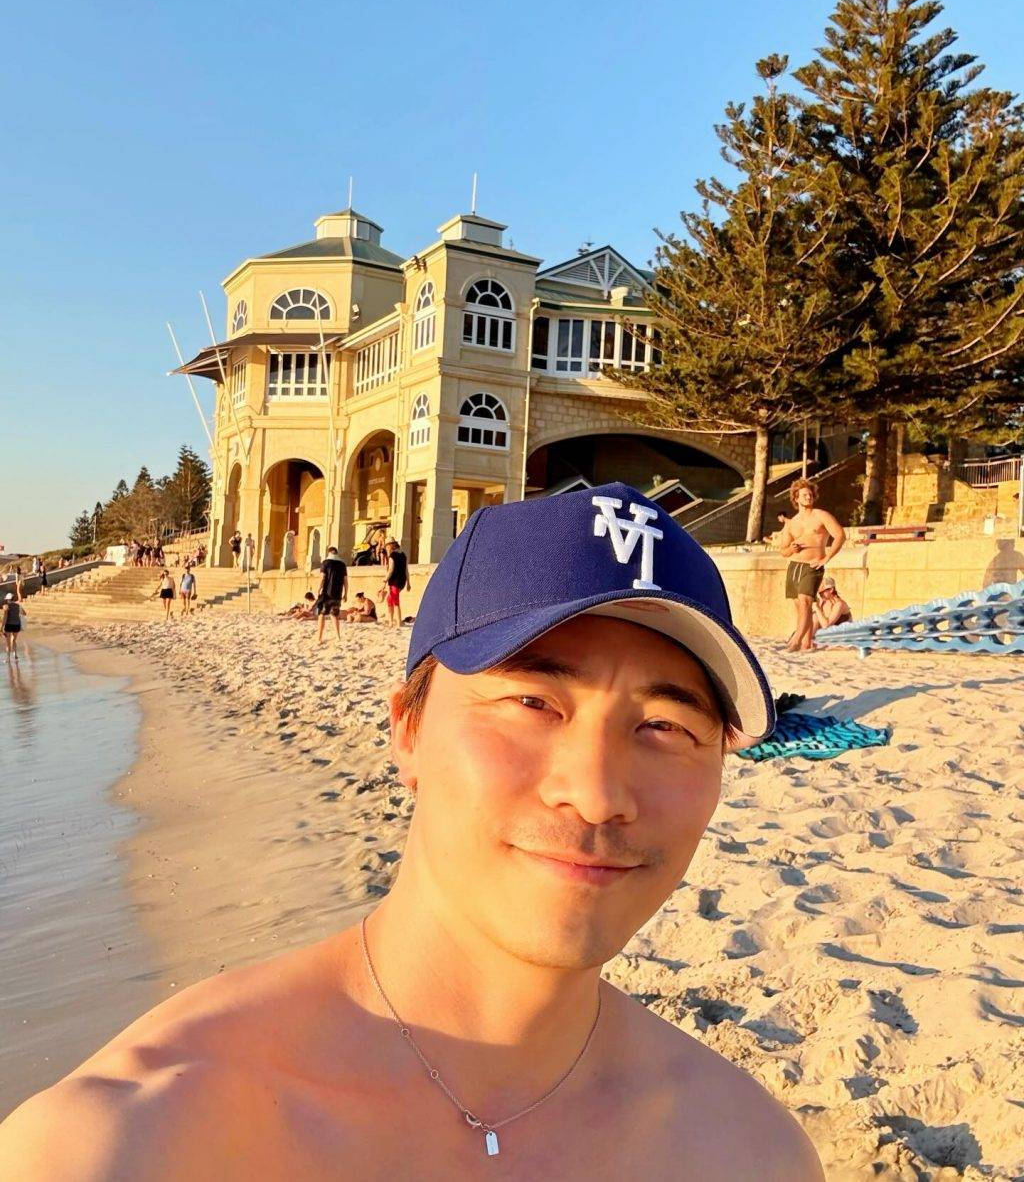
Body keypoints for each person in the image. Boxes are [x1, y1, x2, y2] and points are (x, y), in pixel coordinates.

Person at [0, 483, 825, 1180]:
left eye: (666, 726)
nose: (598, 793)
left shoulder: (749, 1152)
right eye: (533, 703)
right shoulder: (127, 1144)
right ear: (408, 730)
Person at [778, 478, 846, 652]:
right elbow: (783, 551)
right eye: (804, 495)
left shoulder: (821, 515)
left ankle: (795, 641)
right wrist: (791, 549)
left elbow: (840, 535)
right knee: (800, 607)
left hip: (812, 566)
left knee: (806, 602)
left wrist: (826, 558)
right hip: (794, 567)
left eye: (810, 494)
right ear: (796, 498)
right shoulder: (791, 523)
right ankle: (806, 643)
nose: (808, 497)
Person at [316, 545, 348, 645]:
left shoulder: (325, 563)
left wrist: (318, 589)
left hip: (326, 594)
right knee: (334, 615)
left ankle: (319, 638)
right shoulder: (342, 564)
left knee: (322, 615)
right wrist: (346, 594)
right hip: (337, 594)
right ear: (336, 553)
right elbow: (345, 581)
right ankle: (338, 636)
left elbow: (322, 577)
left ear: (329, 552)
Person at [383, 537, 411, 628]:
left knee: (395, 601)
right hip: (402, 581)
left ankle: (398, 622)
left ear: (391, 546)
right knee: (389, 599)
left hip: (395, 580)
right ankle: (391, 621)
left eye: (387, 546)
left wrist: (384, 580)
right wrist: (408, 583)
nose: (386, 548)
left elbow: (390, 570)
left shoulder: (392, 556)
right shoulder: (403, 555)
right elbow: (406, 570)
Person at [1, 591, 22, 662]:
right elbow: (24, 613)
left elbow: (5, 617)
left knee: (8, 643)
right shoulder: (17, 605)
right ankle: (15, 655)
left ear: (8, 599)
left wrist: (1, 627)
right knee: (14, 640)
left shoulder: (6, 606)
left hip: (9, 625)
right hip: (17, 625)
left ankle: (8, 658)